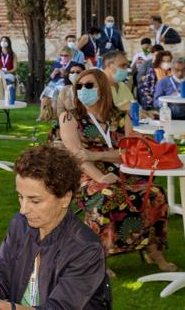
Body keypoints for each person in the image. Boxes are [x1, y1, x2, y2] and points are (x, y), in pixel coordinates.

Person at [0, 145, 108, 310]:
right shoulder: (20, 225)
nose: (23, 209)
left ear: (65, 198)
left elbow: (59, 307)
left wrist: (2, 307)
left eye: (35, 201)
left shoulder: (85, 248)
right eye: (20, 197)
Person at [58, 68, 174, 273]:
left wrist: (97, 155)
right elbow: (77, 156)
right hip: (88, 175)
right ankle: (98, 257)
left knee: (156, 194)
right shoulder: (70, 117)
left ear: (102, 88)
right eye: (79, 87)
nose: (83, 90)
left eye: (89, 86)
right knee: (106, 196)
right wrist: (101, 176)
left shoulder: (121, 117)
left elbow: (130, 151)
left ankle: (154, 250)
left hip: (125, 170)